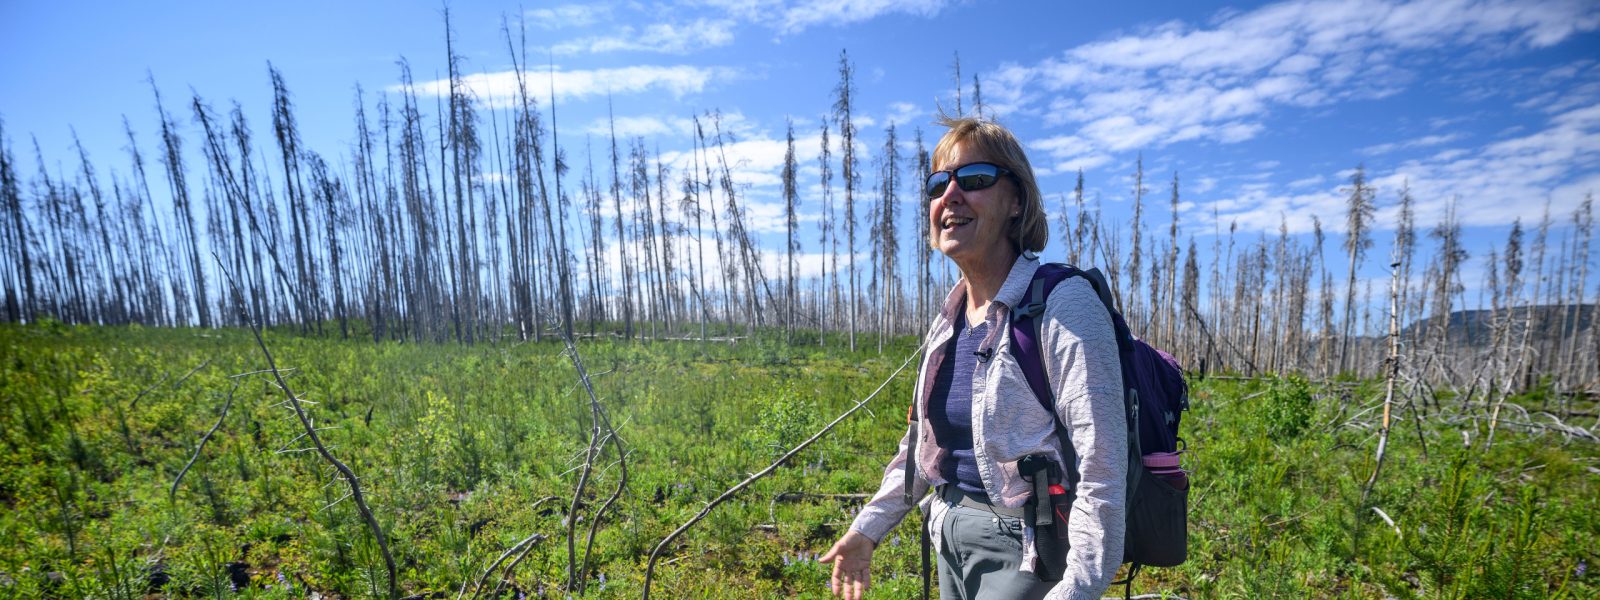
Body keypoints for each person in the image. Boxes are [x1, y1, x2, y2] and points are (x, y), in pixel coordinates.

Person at [820, 115, 1127, 600]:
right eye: (938, 183)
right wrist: (869, 528)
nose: (951, 195)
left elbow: (1102, 467)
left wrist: (1078, 589)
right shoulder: (950, 318)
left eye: (976, 179)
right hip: (948, 540)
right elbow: (921, 447)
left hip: (1026, 552)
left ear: (1016, 201)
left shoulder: (1063, 304)